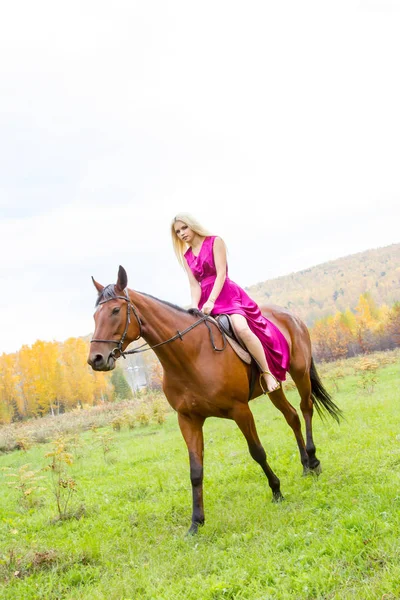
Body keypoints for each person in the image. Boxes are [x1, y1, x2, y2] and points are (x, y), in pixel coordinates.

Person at [171, 213, 290, 394]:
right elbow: (194, 284)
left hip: (226, 295)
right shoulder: (186, 256)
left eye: (184, 228)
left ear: (192, 225)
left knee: (241, 328)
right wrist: (194, 306)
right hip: (204, 300)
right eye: (178, 231)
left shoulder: (214, 241)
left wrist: (211, 300)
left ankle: (267, 373)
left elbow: (221, 274)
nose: (181, 233)